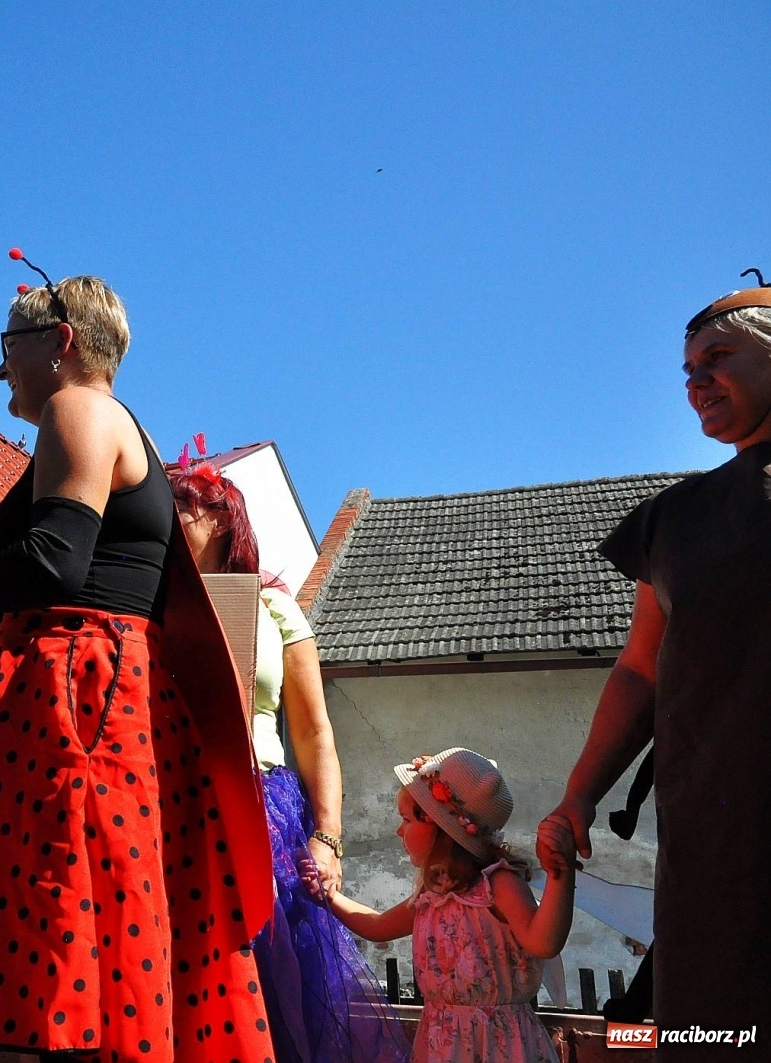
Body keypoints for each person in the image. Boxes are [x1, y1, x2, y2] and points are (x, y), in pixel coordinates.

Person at [0, 269, 277, 1062]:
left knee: (46, 931)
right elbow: (45, 586)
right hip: (94, 685)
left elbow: (52, 566)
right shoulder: (120, 426)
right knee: (88, 933)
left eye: (6, 348)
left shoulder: (76, 408)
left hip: (72, 697)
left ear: (61, 342)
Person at [538, 281, 771, 1049]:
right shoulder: (674, 521)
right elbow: (641, 670)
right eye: (686, 369)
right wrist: (579, 793)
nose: (695, 381)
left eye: (718, 357)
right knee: (715, 1033)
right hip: (709, 847)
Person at [168, 451, 408, 1063]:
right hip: (171, 801)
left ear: (222, 518)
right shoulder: (146, 599)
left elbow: (315, 735)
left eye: (182, 502)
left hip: (265, 805)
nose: (167, 513)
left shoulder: (274, 605)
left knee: (272, 982)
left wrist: (327, 838)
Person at [330, 748, 574, 1063]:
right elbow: (377, 926)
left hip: (500, 1049)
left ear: (442, 831)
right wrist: (327, 894)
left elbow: (544, 942)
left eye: (406, 819)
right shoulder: (436, 894)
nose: (398, 830)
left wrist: (560, 875)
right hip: (441, 1046)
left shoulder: (498, 884)